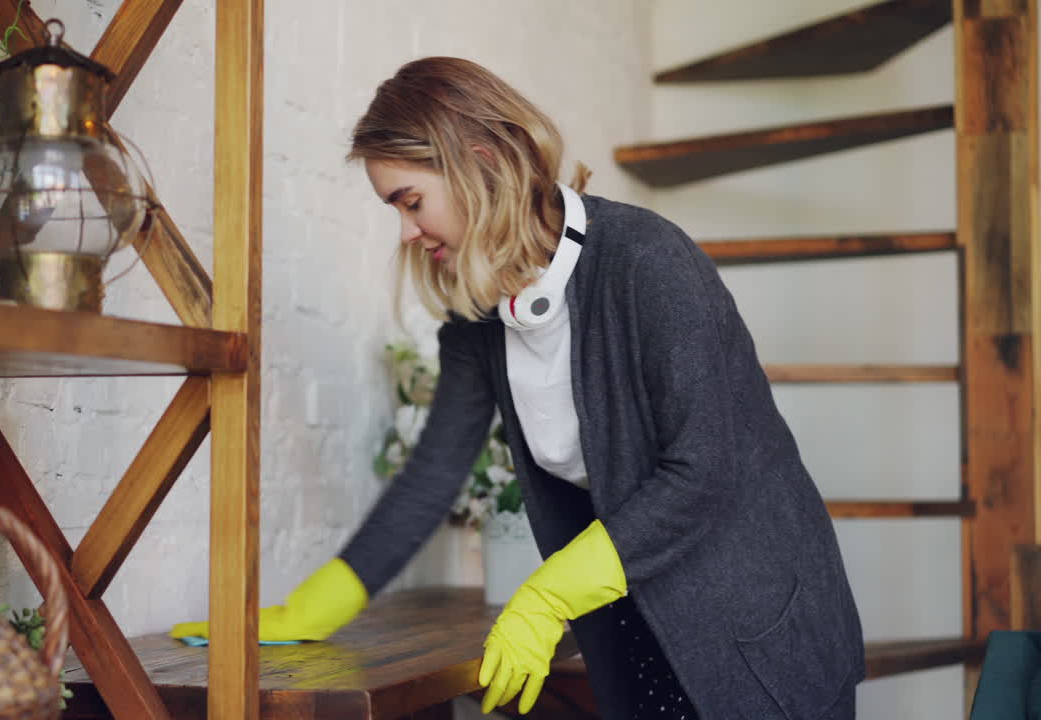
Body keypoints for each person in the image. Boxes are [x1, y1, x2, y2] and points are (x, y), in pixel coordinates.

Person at [172, 56, 865, 720]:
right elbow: (430, 480)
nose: (408, 232)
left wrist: (548, 596)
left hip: (754, 623)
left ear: (479, 161)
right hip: (638, 621)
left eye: (411, 202)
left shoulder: (650, 262)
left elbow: (703, 472)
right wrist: (317, 605)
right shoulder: (480, 324)